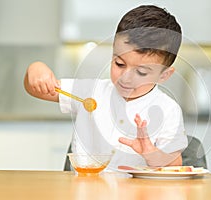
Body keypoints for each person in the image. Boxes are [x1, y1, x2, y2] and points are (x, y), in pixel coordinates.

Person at [24, 5, 188, 170]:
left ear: (164, 75)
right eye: (119, 64)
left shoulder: (168, 110)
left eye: (141, 72)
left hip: (137, 195)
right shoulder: (91, 92)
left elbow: (175, 165)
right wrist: (36, 69)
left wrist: (150, 152)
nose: (126, 77)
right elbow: (35, 89)